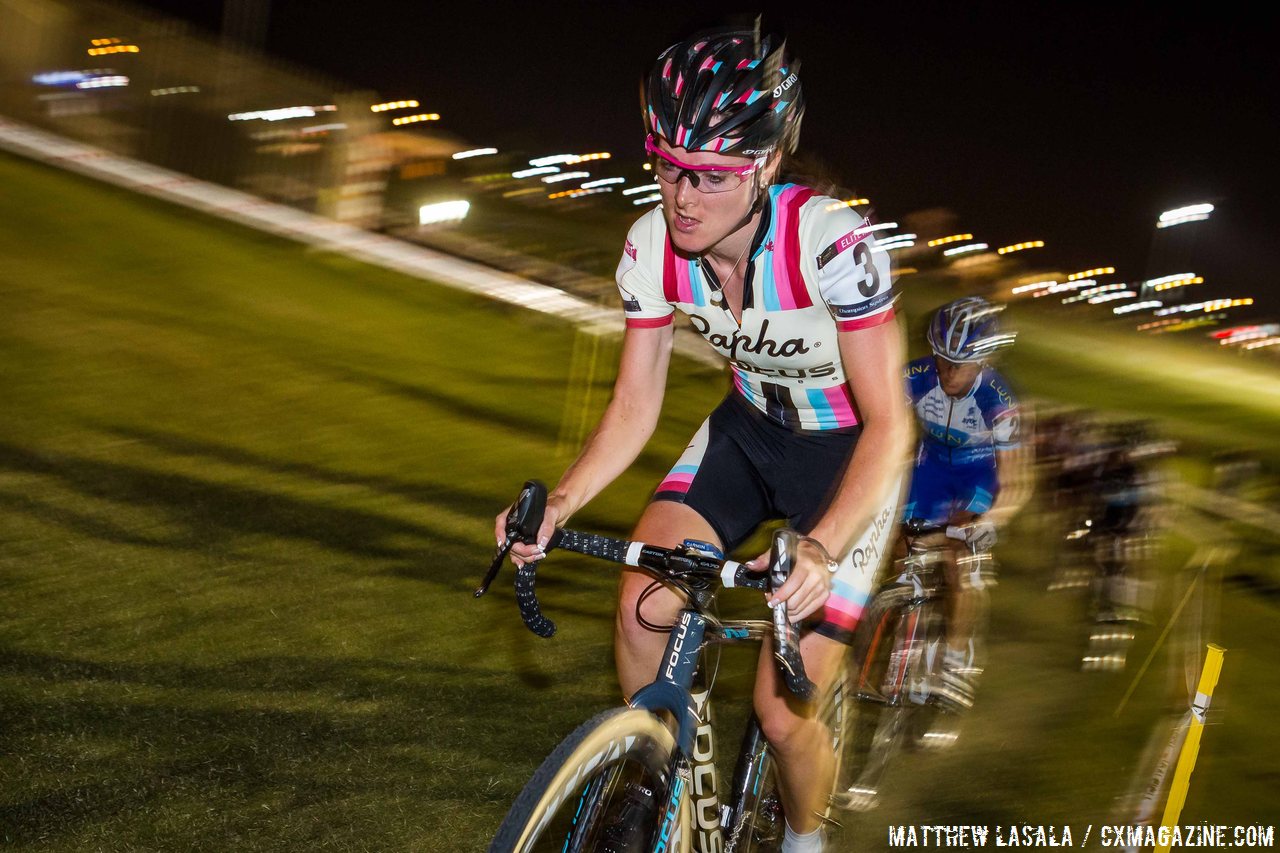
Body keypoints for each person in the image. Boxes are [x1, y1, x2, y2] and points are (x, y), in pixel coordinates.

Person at [496, 27, 909, 853]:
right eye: (667, 167)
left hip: (846, 459)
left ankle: (804, 841)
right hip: (748, 435)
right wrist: (561, 503)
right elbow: (634, 404)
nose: (682, 197)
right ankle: (657, 774)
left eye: (711, 177)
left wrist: (823, 549)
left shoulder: (830, 244)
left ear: (760, 168)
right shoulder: (651, 248)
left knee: (783, 716)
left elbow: (893, 424)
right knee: (641, 602)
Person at [901, 296, 1029, 710]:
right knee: (903, 551)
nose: (946, 372)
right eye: (940, 359)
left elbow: (1016, 482)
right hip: (932, 466)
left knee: (960, 556)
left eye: (959, 363)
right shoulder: (916, 376)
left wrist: (992, 519)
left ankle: (957, 656)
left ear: (984, 361)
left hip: (978, 474)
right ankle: (910, 639)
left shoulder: (999, 399)